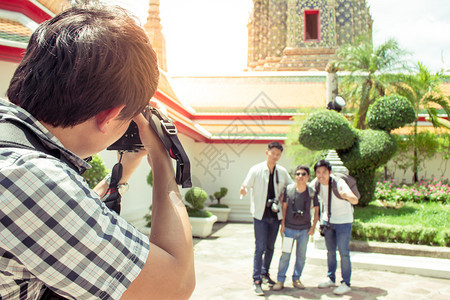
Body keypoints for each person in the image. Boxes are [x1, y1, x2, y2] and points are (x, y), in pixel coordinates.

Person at [0, 4, 195, 300]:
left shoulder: (17, 153)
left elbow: (72, 218)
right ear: (109, 116)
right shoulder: (31, 179)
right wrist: (161, 159)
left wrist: (123, 172)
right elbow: (174, 285)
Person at [240, 141, 293, 296]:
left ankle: (265, 274)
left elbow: (290, 188)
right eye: (273, 153)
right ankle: (256, 280)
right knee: (260, 248)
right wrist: (243, 190)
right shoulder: (256, 169)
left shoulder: (282, 172)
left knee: (270, 248)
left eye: (278, 154)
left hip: (275, 216)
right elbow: (246, 185)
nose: (275, 156)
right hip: (260, 216)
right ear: (267, 152)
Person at [313, 160, 358, 295]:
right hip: (328, 222)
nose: (321, 175)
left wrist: (347, 195)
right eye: (318, 172)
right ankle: (331, 278)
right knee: (330, 251)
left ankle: (346, 283)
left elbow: (354, 199)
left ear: (330, 172)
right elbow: (305, 190)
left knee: (343, 252)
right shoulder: (317, 183)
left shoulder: (338, 183)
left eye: (324, 172)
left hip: (344, 222)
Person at [272, 165, 319, 291]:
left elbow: (317, 210)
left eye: (303, 174)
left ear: (308, 177)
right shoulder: (289, 190)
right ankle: (280, 280)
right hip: (289, 229)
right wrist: (282, 225)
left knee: (301, 256)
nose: (300, 176)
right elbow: (284, 207)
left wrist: (313, 227)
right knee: (285, 255)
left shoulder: (311, 192)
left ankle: (296, 279)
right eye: (298, 174)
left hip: (304, 230)